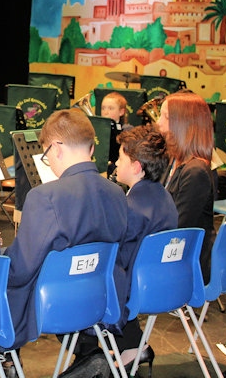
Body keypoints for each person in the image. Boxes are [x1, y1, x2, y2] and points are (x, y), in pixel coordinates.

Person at [0, 109, 128, 371]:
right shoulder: (117, 192)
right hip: (98, 299)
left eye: (45, 155)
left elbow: (21, 270)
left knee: (2, 282)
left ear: (56, 149)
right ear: (90, 149)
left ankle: (8, 360)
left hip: (53, 305)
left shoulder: (45, 196)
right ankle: (88, 355)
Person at [67, 124, 178, 376]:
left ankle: (90, 359)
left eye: (120, 158)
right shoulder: (163, 197)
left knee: (77, 283)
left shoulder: (132, 209)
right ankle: (131, 346)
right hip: (161, 282)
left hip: (136, 287)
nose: (115, 163)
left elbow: (115, 256)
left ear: (136, 167)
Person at [156, 90, 216, 285]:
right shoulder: (174, 160)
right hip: (171, 251)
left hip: (185, 262)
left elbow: (178, 227)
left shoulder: (195, 172)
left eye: (164, 117)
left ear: (182, 124)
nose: (158, 123)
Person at [100, 91, 131, 178]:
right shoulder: (98, 128)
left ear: (121, 112)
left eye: (110, 108)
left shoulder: (126, 129)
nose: (105, 112)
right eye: (103, 108)